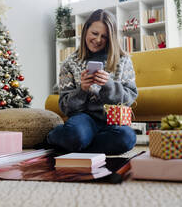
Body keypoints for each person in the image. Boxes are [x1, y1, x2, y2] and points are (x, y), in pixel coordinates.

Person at [47, 9, 138, 155]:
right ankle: (57, 137)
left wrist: (108, 85)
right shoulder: (69, 63)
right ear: (85, 31)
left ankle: (77, 144)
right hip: (83, 119)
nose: (98, 40)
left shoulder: (123, 60)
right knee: (75, 134)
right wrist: (81, 90)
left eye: (105, 37)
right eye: (94, 33)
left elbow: (129, 99)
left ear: (111, 38)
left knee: (127, 138)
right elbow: (65, 107)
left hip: (112, 121)